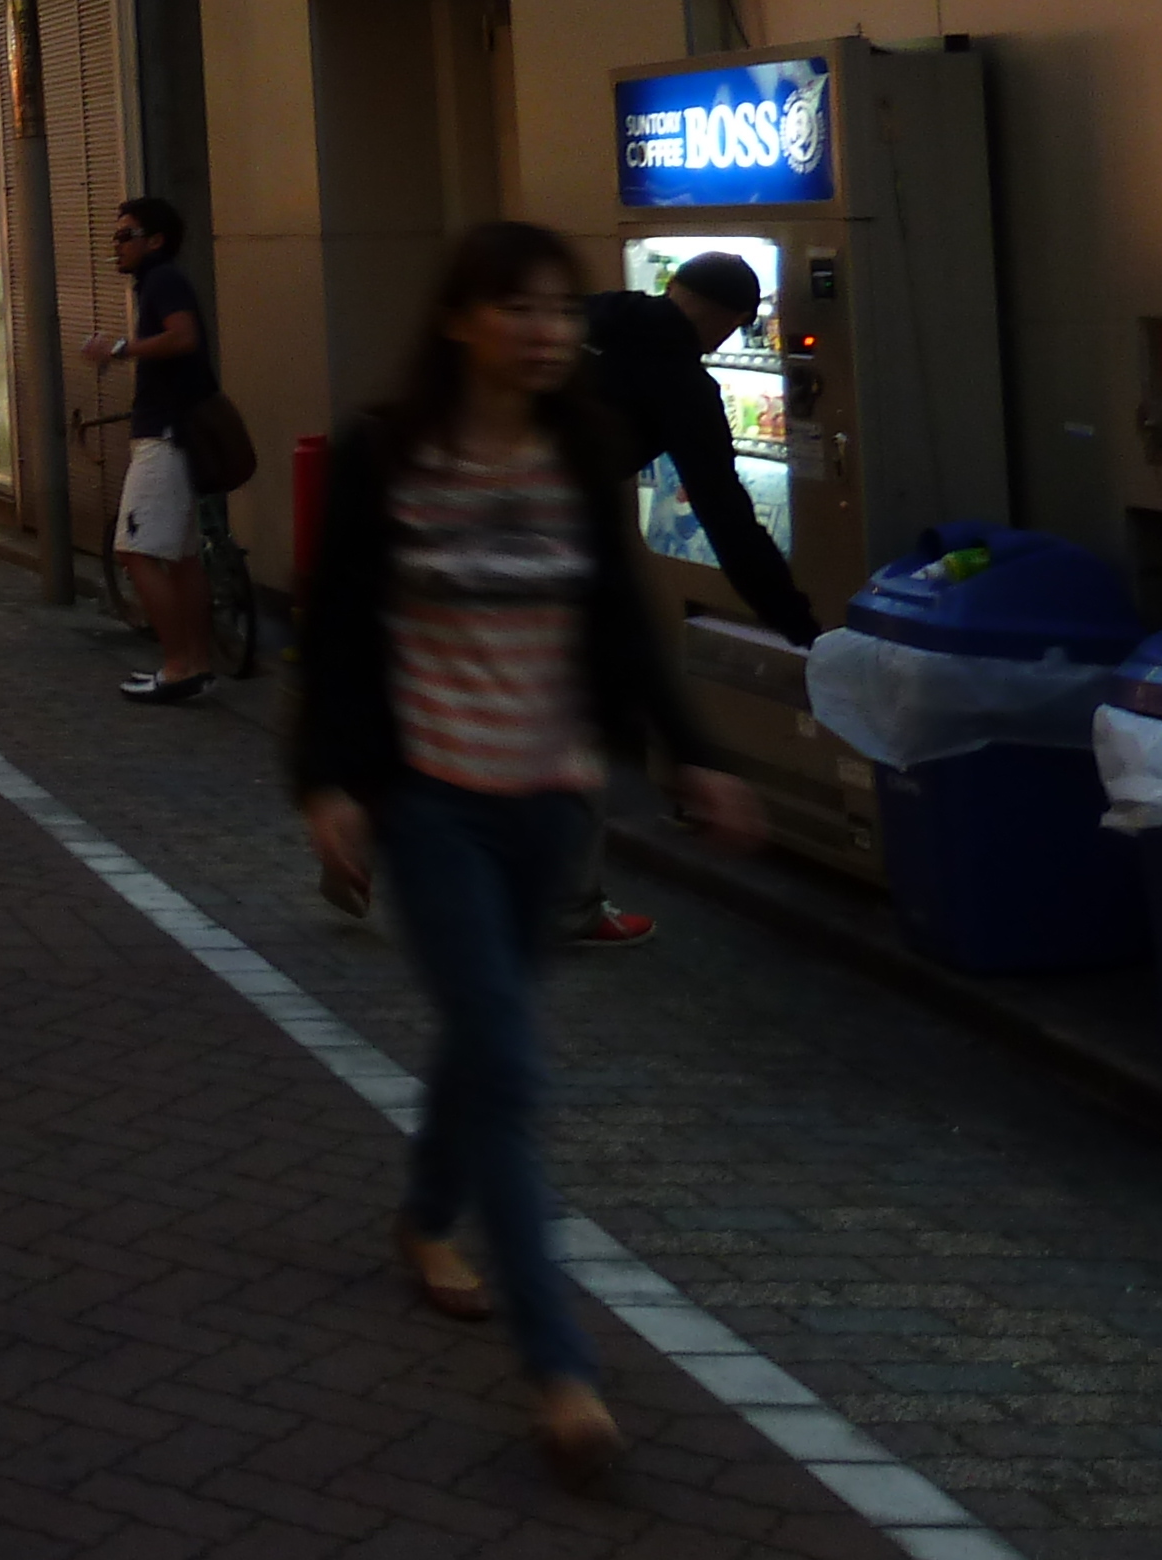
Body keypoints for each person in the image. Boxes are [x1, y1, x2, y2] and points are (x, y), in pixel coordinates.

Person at [290, 218, 761, 1490]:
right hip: (430, 796)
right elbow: (335, 624)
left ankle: (423, 1214)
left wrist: (693, 753)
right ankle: (561, 1371)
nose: (548, 331)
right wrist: (325, 779)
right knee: (506, 1055)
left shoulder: (581, 448)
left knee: (480, 1039)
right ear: (459, 320)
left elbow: (619, 625)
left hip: (549, 797)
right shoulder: (391, 450)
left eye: (560, 310)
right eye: (519, 308)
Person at [584, 255, 812, 646]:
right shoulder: (685, 389)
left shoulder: (598, 310)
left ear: (672, 286)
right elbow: (726, 515)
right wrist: (800, 626)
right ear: (733, 319)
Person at [85, 196, 222, 703]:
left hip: (164, 436)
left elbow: (182, 338)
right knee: (183, 559)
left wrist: (120, 349)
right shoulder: (160, 281)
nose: (116, 245)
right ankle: (196, 663)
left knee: (136, 551)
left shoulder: (163, 280)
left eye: (126, 235)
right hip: (177, 434)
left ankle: (179, 664)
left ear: (155, 240)